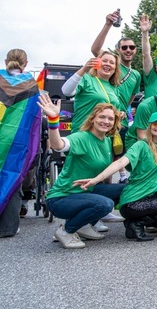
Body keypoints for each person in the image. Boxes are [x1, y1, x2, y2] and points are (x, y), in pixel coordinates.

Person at [73, 112, 157, 241]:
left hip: (149, 204)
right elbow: (121, 162)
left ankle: (136, 223)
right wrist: (96, 180)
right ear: (150, 126)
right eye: (156, 124)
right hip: (134, 203)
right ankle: (137, 223)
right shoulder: (141, 145)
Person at [38, 98, 125, 249]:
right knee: (105, 204)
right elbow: (58, 145)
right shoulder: (82, 137)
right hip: (62, 198)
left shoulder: (105, 140)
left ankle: (83, 224)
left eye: (111, 118)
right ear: (92, 119)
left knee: (125, 189)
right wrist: (53, 120)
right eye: (102, 117)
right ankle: (66, 231)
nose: (106, 121)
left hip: (86, 190)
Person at [0, 49, 41, 238]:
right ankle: (8, 227)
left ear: (6, 60)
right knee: (12, 176)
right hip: (17, 141)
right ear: (25, 63)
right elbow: (34, 120)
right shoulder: (30, 85)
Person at [61, 51, 125, 131]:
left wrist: (120, 114)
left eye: (112, 63)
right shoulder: (87, 79)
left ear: (115, 68)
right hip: (83, 135)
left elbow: (114, 113)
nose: (107, 64)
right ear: (97, 63)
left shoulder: (114, 88)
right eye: (104, 61)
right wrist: (84, 69)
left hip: (104, 137)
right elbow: (66, 91)